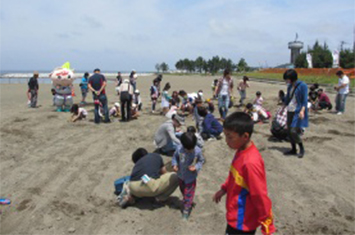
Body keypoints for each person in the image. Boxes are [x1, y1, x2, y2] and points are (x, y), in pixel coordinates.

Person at [213, 112, 276, 235]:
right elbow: (235, 176)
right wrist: (224, 188)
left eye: (230, 137)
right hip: (235, 216)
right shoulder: (241, 150)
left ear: (245, 136)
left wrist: (267, 225)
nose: (226, 141)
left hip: (242, 223)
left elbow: (260, 195)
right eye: (225, 136)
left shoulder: (250, 163)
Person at [172, 132, 205, 220]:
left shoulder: (197, 151)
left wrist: (196, 167)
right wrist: (174, 164)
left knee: (188, 193)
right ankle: (187, 201)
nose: (190, 150)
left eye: (191, 148)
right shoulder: (179, 149)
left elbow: (201, 161)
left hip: (190, 177)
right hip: (180, 175)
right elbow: (175, 157)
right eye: (188, 149)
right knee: (183, 190)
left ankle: (187, 209)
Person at [283, 69, 308, 158]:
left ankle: (301, 148)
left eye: (287, 79)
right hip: (290, 110)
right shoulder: (290, 86)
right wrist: (283, 107)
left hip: (297, 111)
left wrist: (302, 111)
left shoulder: (302, 86)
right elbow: (287, 98)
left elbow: (304, 100)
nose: (286, 81)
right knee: (289, 131)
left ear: (292, 78)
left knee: (294, 131)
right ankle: (293, 149)